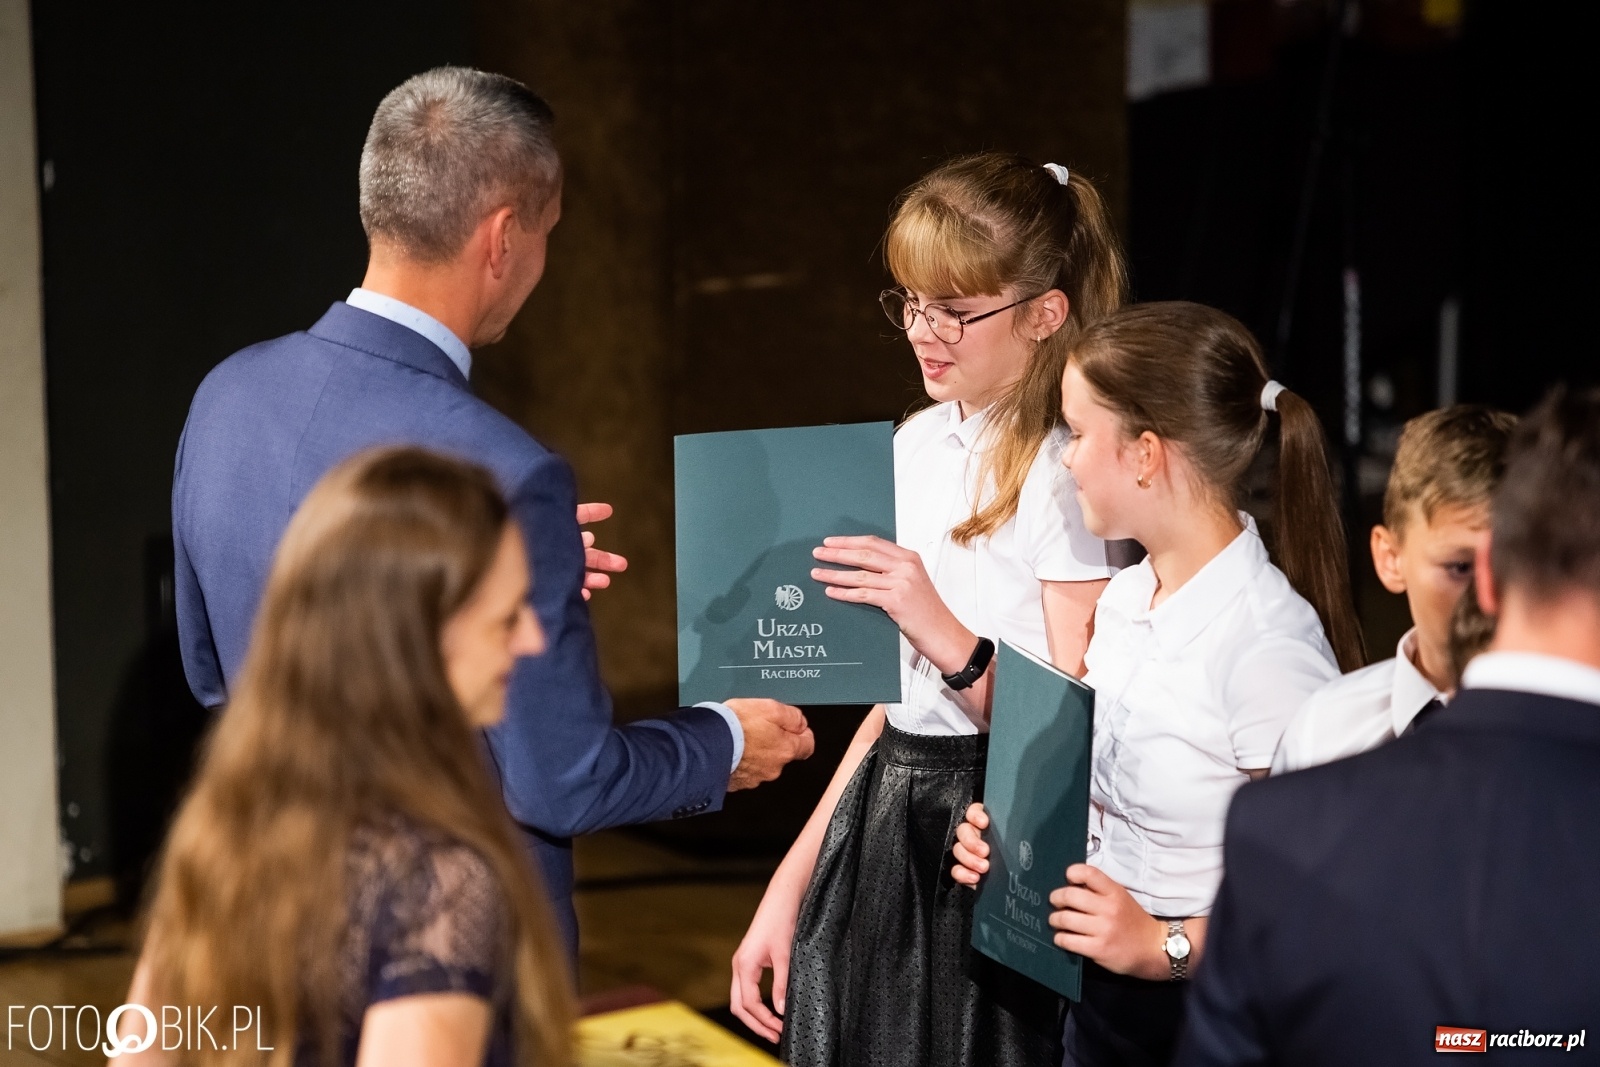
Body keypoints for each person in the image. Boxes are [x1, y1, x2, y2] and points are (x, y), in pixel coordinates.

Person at [170, 67, 813, 956]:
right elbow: (565, 781)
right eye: (550, 232)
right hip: (451, 957)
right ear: (505, 236)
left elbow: (213, 676)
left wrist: (492, 577)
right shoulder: (510, 474)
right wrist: (725, 740)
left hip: (268, 927)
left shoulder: (225, 394)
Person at [730, 153, 1125, 1067]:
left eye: (954, 309)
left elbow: (1071, 741)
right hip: (888, 808)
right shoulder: (913, 442)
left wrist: (940, 628)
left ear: (1044, 313)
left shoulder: (1066, 472)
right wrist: (790, 881)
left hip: (991, 834)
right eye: (909, 301)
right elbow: (890, 704)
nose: (922, 330)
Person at [952, 301, 1363, 1066]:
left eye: (1077, 433)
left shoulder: (1266, 645)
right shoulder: (1128, 596)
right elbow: (1112, 805)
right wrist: (1016, 842)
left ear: (1145, 454)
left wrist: (1162, 945)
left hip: (1210, 1019)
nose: (1065, 459)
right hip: (1101, 1007)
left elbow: (1325, 896)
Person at [1176, 386, 1600, 1065]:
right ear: (1389, 556)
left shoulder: (1286, 821)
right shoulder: (1320, 735)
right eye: (1453, 566)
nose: (1474, 606)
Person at [124, 447, 573, 1067]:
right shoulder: (439, 883)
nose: (533, 639)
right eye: (507, 617)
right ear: (420, 640)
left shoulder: (226, 822)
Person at [1272, 405, 1516, 772]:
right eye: (1461, 568)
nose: (1490, 595)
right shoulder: (1324, 735)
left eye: (1517, 568)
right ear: (1390, 559)